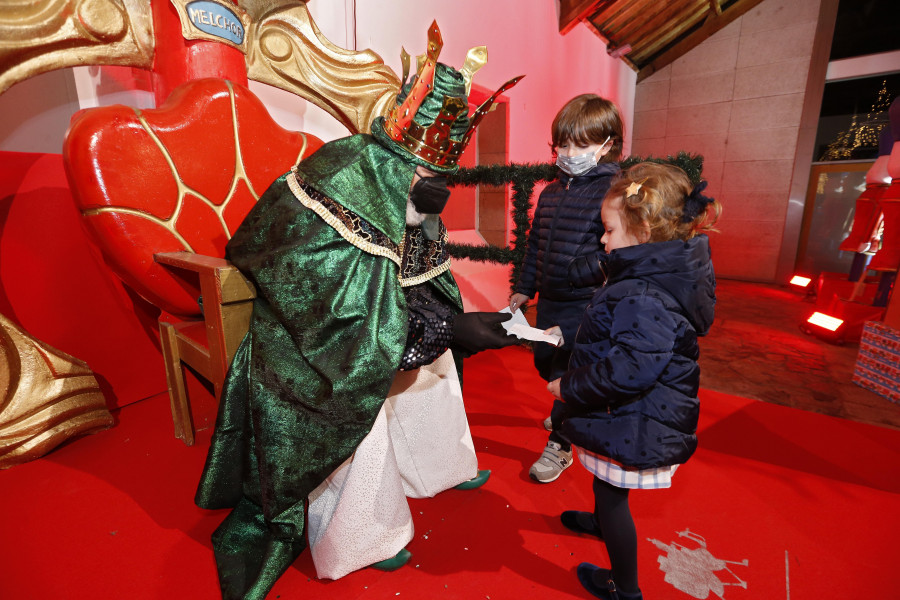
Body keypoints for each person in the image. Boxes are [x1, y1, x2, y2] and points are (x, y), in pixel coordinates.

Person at [194, 22, 522, 599]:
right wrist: (447, 327)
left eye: (441, 180)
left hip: (366, 328)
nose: (434, 193)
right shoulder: (344, 182)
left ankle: (438, 468)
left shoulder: (404, 193)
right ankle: (366, 536)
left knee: (440, 367)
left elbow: (418, 279)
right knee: (356, 397)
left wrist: (454, 324)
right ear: (393, 164)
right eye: (425, 178)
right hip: (307, 344)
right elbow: (340, 325)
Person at [546, 161, 719, 600]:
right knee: (606, 485)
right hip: (632, 415)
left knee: (611, 494)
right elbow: (624, 340)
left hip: (635, 419)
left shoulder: (643, 292)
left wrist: (568, 387)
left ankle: (624, 588)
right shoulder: (655, 272)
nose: (603, 240)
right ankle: (598, 521)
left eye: (608, 230)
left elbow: (629, 370)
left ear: (642, 232)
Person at [508, 93, 624, 483]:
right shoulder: (553, 191)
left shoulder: (614, 192)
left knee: (572, 375)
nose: (570, 152)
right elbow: (536, 242)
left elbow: (621, 256)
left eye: (582, 144)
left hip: (587, 305)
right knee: (548, 365)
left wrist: (587, 270)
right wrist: (525, 287)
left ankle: (560, 441)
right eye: (564, 143)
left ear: (608, 145)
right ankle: (567, 408)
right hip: (552, 301)